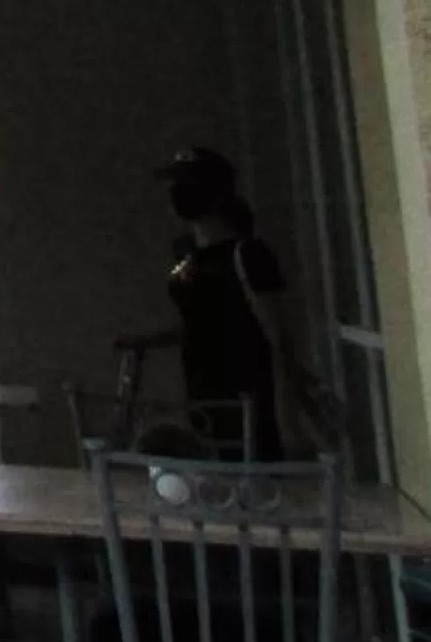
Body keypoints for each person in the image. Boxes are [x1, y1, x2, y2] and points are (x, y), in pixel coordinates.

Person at [121, 144, 322, 460]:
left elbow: (277, 338)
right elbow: (202, 319)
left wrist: (289, 422)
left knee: (254, 478)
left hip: (248, 392)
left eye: (187, 185)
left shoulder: (248, 255)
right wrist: (149, 340)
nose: (176, 194)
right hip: (202, 389)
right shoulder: (187, 254)